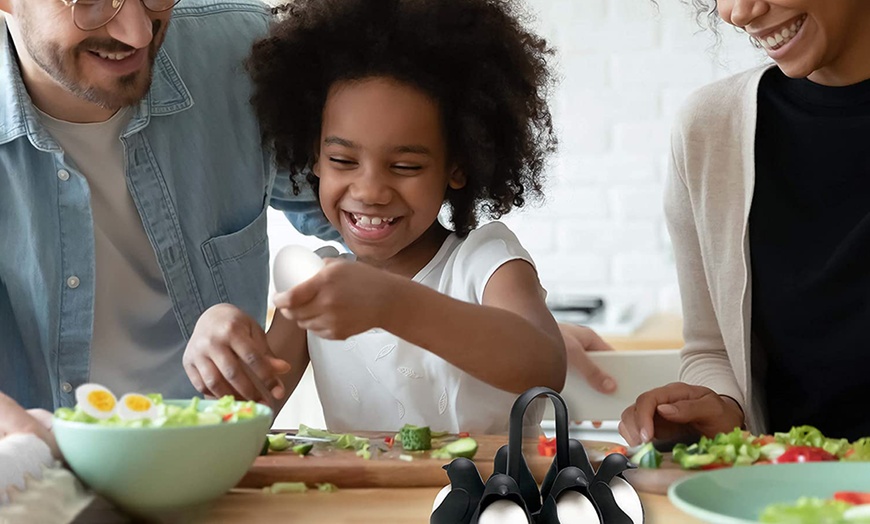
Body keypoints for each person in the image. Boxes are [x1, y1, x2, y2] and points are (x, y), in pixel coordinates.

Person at [184, 0, 571, 434]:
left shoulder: (486, 262)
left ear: (457, 166)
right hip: (362, 502)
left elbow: (544, 367)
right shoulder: (317, 287)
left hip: (489, 501)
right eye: (342, 160)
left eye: (405, 167)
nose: (369, 191)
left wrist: (391, 303)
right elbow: (243, 420)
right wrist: (215, 339)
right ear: (314, 157)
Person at [0, 0, 335, 412]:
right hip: (33, 469)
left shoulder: (245, 53)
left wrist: (295, 323)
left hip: (227, 461)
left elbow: (386, 234)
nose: (137, 33)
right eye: (90, 1)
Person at [619, 0, 870, 445]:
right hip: (783, 497)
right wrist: (719, 407)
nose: (738, 11)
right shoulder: (709, 129)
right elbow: (711, 347)